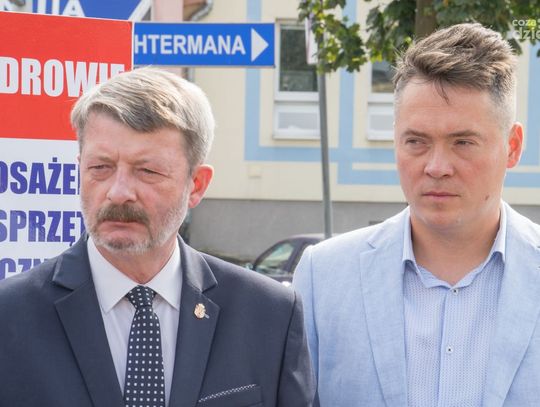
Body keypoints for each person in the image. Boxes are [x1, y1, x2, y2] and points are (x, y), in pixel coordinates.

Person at [0, 67, 315, 407]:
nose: (118, 192)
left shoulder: (269, 315)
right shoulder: (11, 315)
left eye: (147, 171)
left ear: (196, 185)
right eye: (100, 168)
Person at [293, 23, 539, 406]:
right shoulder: (323, 277)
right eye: (416, 142)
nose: (437, 167)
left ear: (513, 146)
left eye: (463, 142)